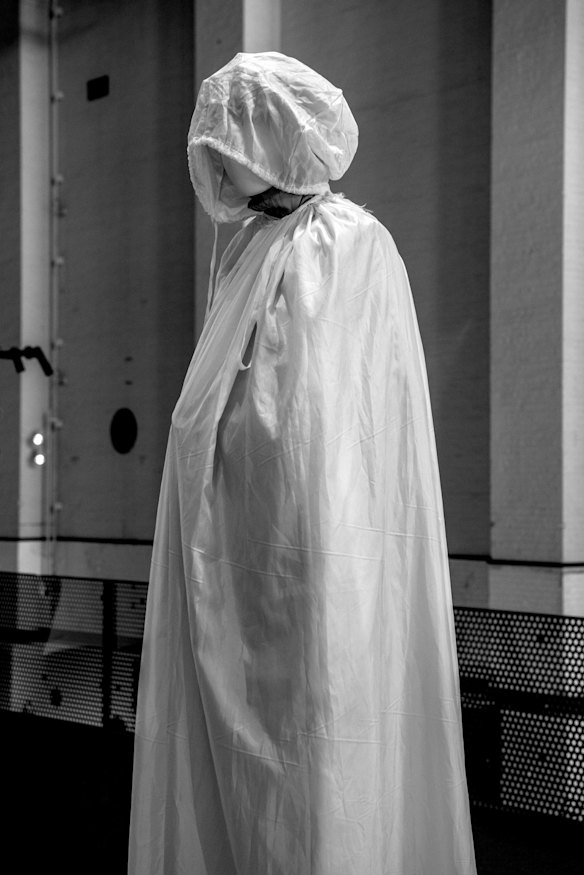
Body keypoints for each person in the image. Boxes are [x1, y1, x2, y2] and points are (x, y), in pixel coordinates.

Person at [128, 51, 477, 875]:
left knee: (320, 735)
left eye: (231, 146)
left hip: (320, 561)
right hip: (248, 556)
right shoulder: (252, 250)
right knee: (260, 757)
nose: (218, 168)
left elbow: (322, 431)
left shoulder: (346, 247)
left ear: (270, 138)